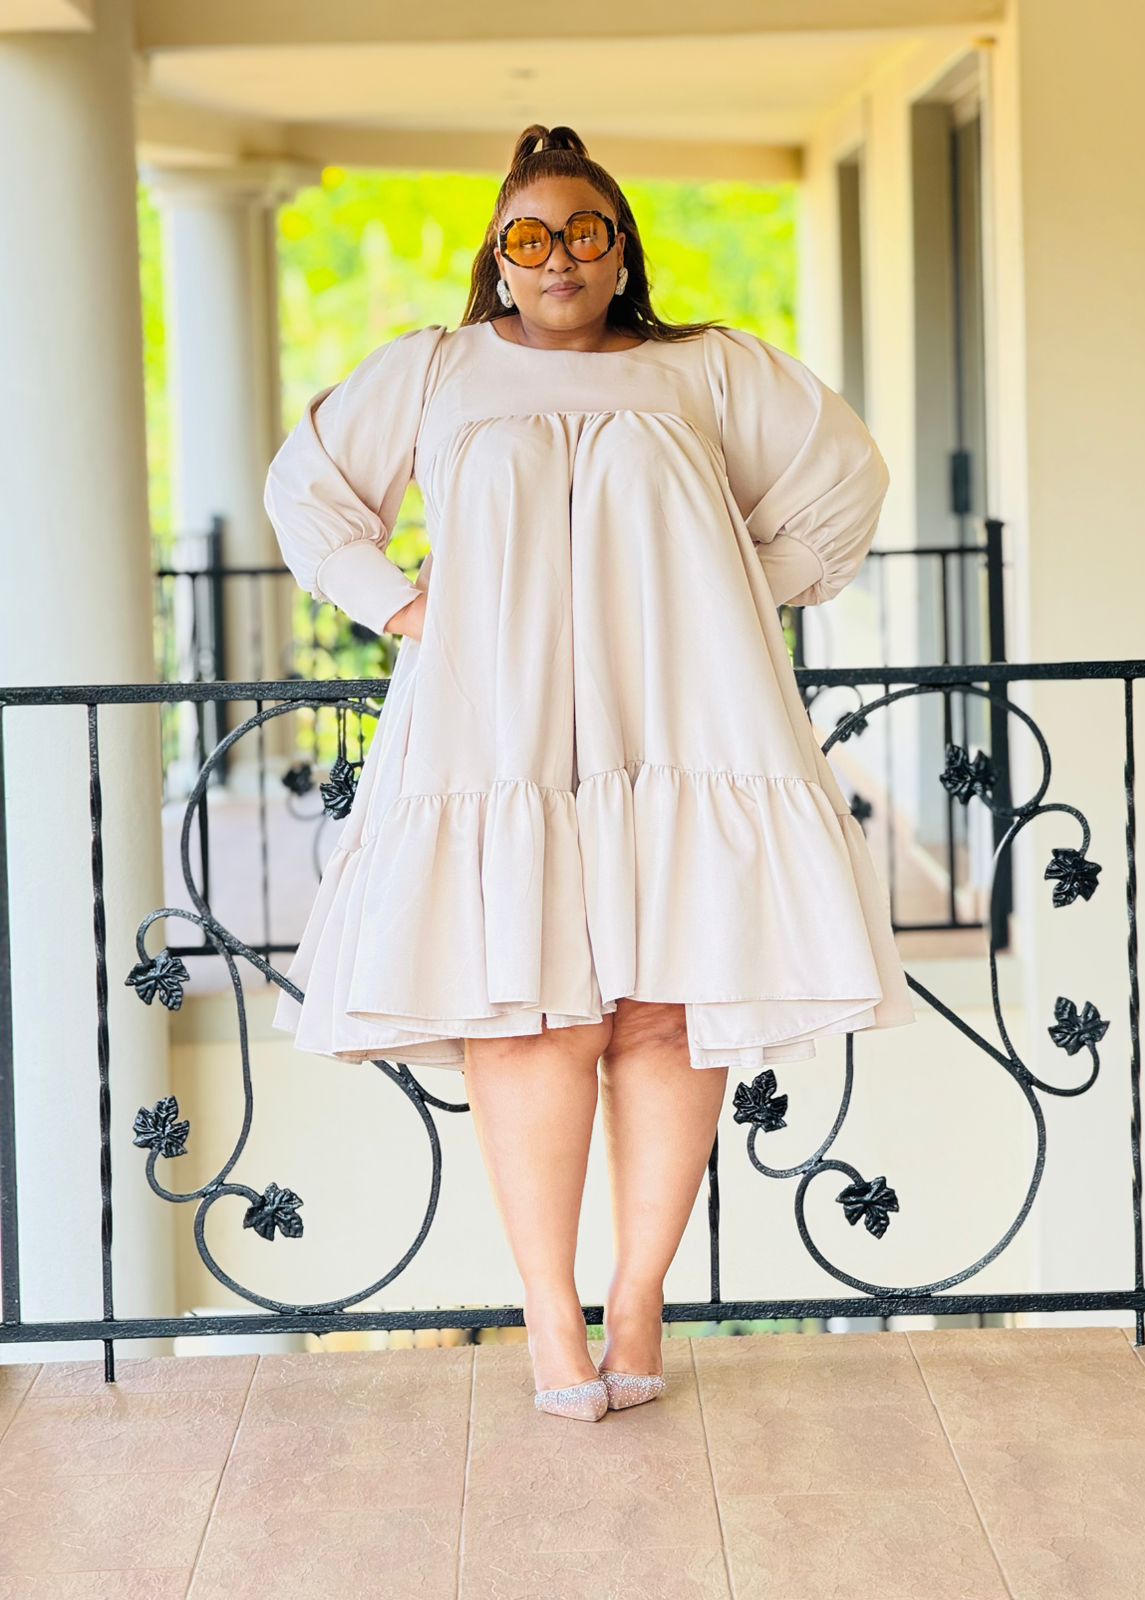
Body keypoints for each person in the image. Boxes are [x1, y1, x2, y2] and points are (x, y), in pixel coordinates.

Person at [265, 123, 915, 1422]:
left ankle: (638, 1293)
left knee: (668, 1008)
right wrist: (397, 606)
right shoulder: (439, 370)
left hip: (683, 726)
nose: (557, 255)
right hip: (494, 731)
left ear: (621, 253)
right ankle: (549, 1310)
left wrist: (740, 593)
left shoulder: (707, 369)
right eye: (530, 236)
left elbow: (845, 483)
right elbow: (308, 492)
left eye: (582, 232)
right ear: (498, 261)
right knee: (533, 1016)